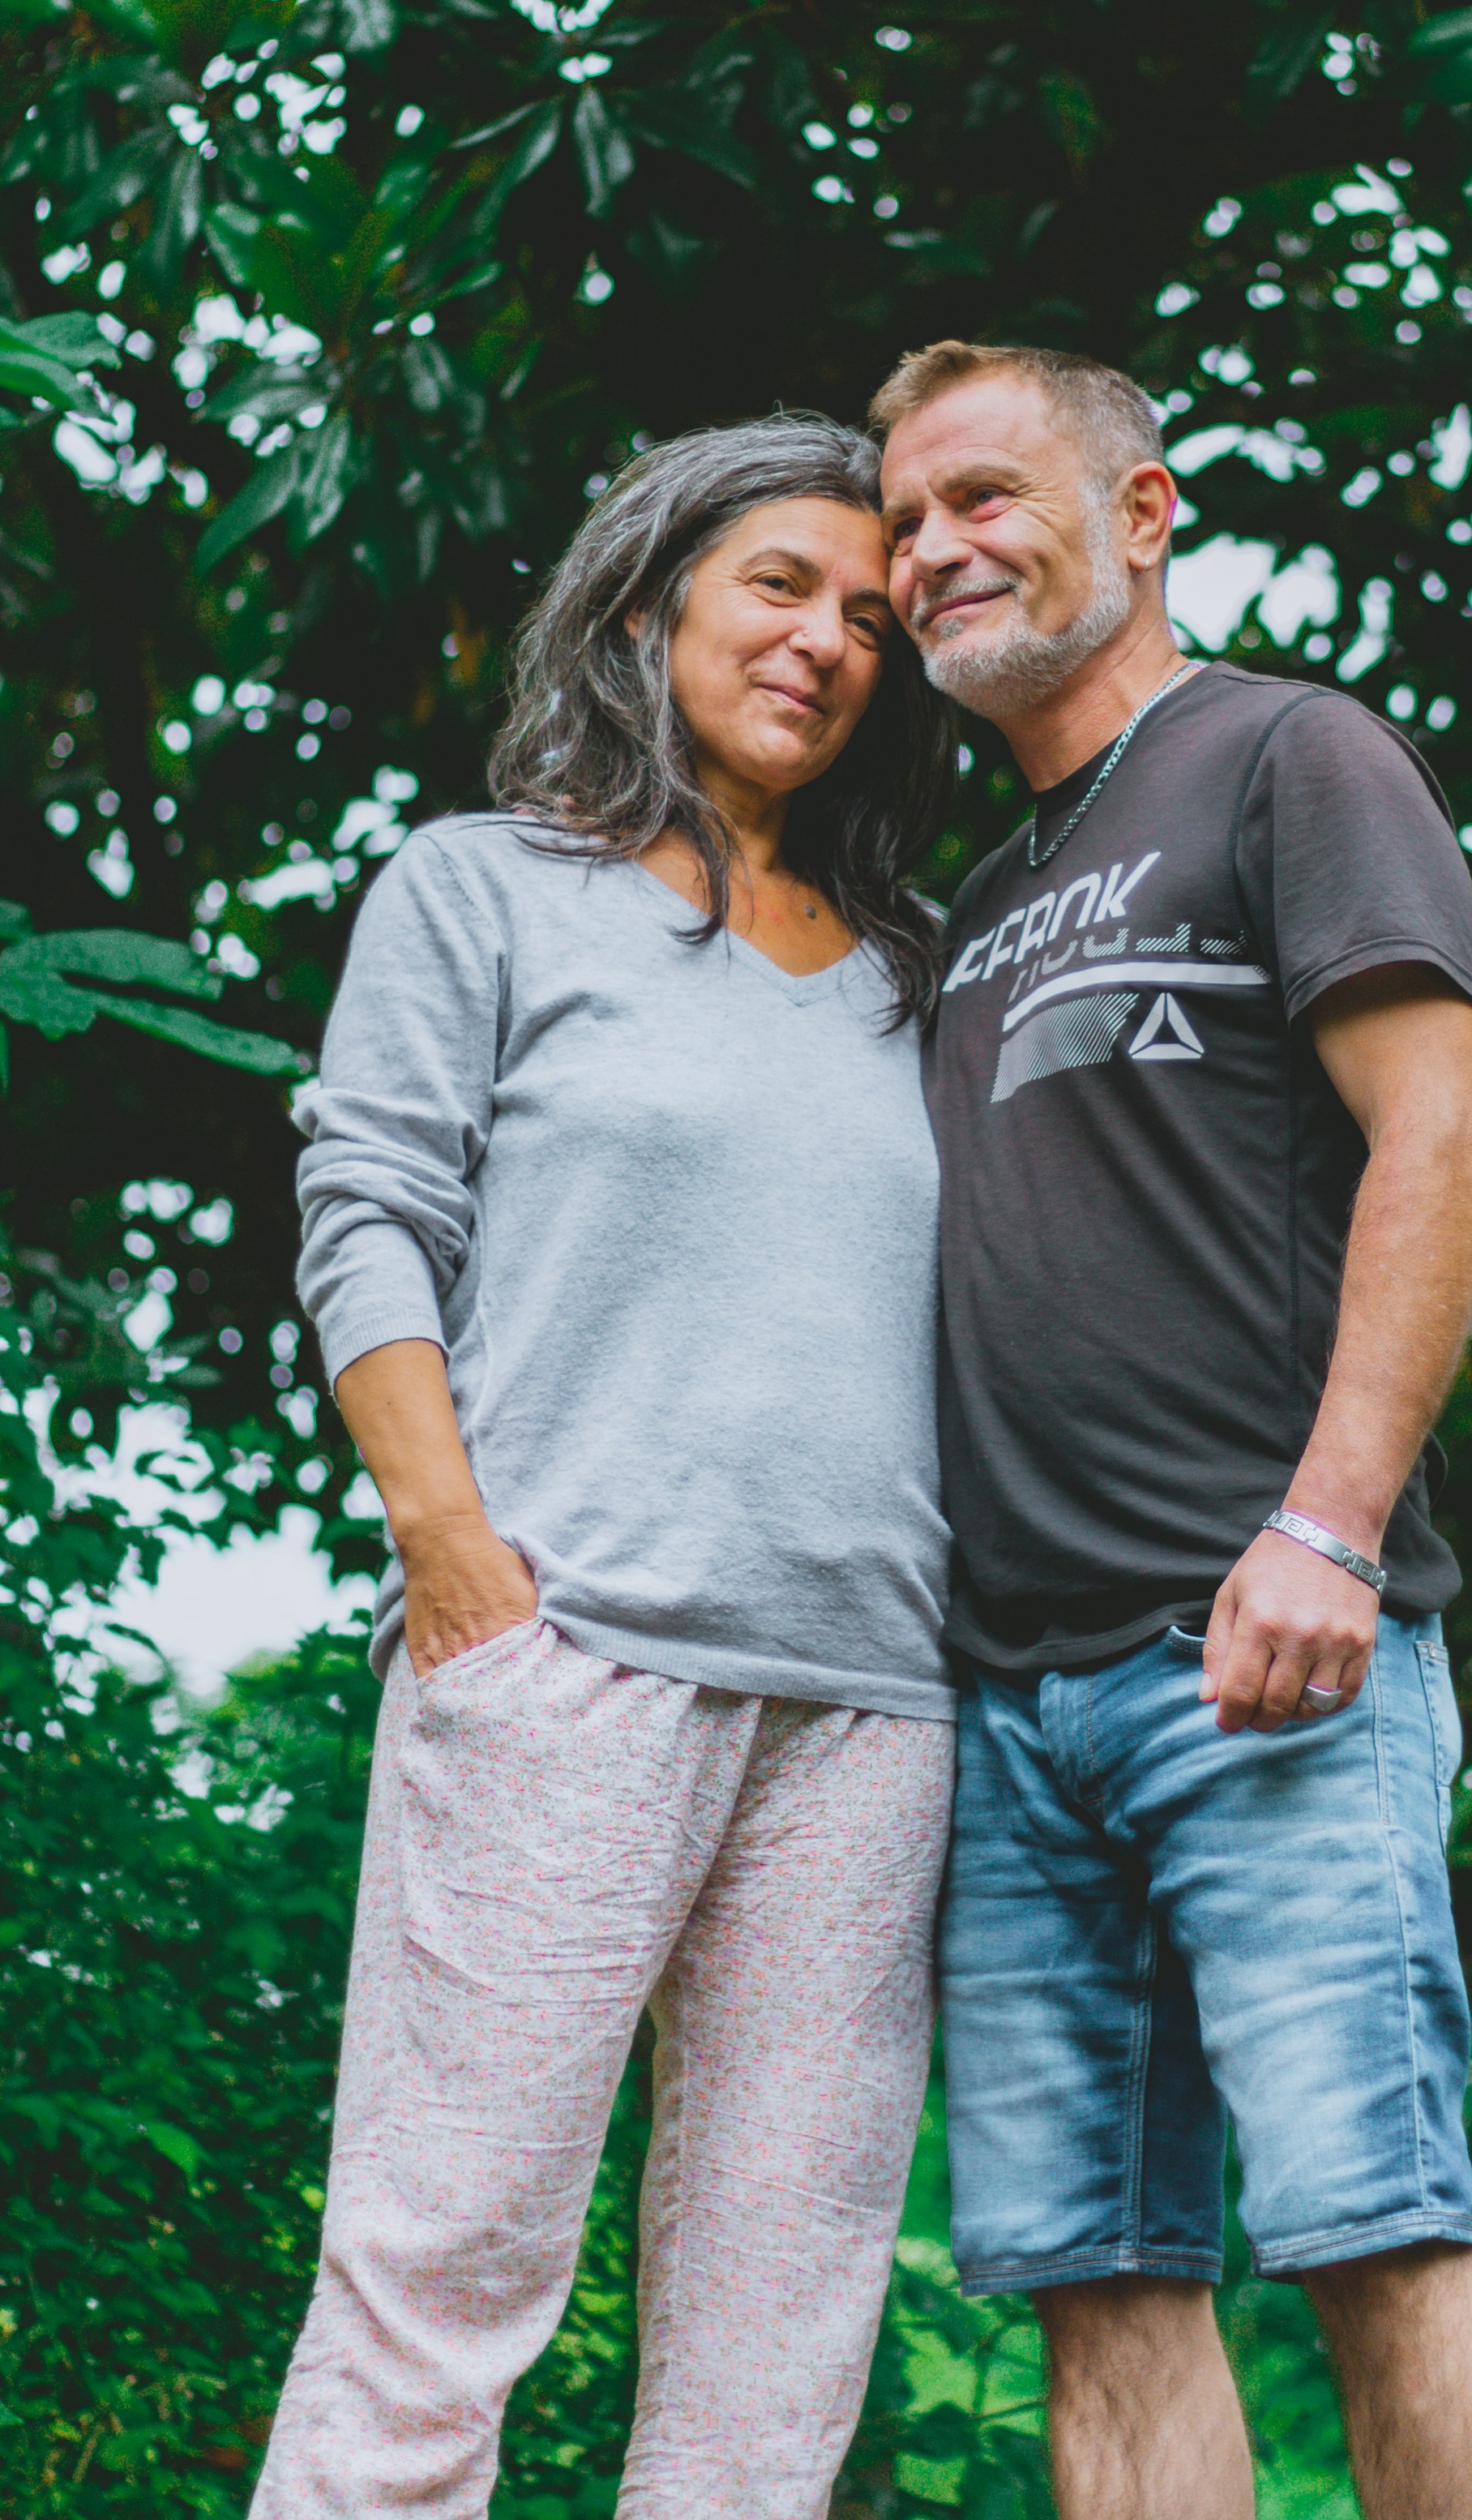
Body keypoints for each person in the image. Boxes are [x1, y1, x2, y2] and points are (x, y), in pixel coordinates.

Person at [252, 417, 960, 2520]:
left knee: (781, 2343)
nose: (828, 643)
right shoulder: (481, 890)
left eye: (867, 618)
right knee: (439, 2277)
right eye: (777, 588)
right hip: (568, 1659)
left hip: (873, 1710)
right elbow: (367, 1213)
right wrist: (458, 1563)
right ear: (646, 602)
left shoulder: (924, 981)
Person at [874, 341, 1472, 2520]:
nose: (931, 552)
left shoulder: (1285, 756)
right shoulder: (973, 919)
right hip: (1008, 1704)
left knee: (1377, 2227)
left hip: (1265, 1656)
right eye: (903, 523)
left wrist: (1332, 1528)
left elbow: (1438, 1137)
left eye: (982, 495)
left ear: (1142, 511)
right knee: (1100, 2287)